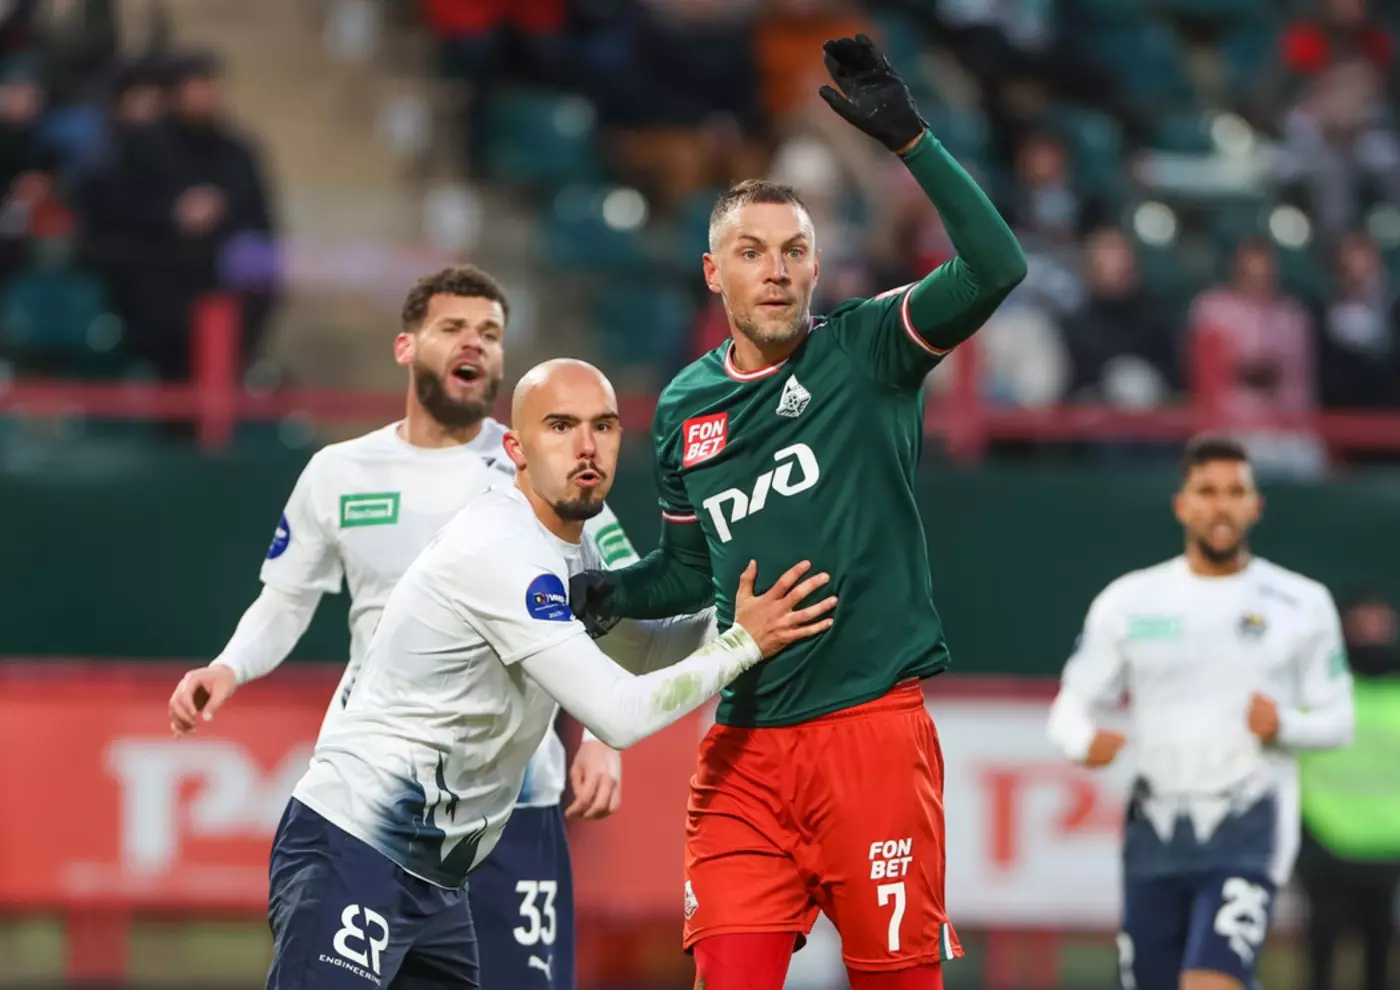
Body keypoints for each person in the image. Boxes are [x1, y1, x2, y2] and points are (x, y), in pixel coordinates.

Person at [570, 35, 1027, 990]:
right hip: (743, 750)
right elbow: (689, 575)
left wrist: (911, 142)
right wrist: (606, 594)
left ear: (817, 269)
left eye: (794, 252)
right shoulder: (685, 408)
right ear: (714, 274)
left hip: (871, 736)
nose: (775, 270)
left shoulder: (868, 351)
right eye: (751, 252)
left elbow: (996, 267)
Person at [263, 358, 838, 990]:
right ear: (516, 449)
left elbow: (639, 651)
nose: (586, 446)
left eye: (603, 426)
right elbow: (617, 715)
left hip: (436, 879)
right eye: (561, 426)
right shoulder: (504, 549)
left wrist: (745, 613)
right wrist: (744, 643)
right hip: (354, 846)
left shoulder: (572, 547)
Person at [167, 265, 637, 990]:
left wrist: (604, 739)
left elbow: (620, 600)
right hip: (384, 798)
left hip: (516, 800)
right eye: (453, 328)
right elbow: (286, 600)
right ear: (406, 346)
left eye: (489, 333)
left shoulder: (545, 466)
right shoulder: (341, 472)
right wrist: (228, 666)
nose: (473, 344)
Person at [1046, 435, 1357, 990]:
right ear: (1181, 504)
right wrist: (1081, 741)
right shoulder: (1130, 601)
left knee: (1211, 982)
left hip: (1248, 822)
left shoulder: (1300, 603)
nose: (1222, 506)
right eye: (1207, 491)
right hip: (1156, 828)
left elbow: (1340, 721)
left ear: (1256, 506)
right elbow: (1070, 705)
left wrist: (1284, 725)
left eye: (1235, 492)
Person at [1295, 592, 1400, 990]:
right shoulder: (1317, 691)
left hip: (1387, 842)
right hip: (1324, 838)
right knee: (1322, 943)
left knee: (1380, 943)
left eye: (1380, 623)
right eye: (1363, 623)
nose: (1373, 633)